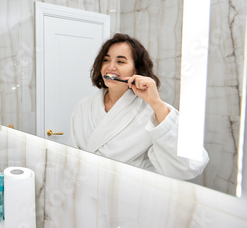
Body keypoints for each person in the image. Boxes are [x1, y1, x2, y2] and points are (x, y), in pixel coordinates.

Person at [69, 33, 209, 180]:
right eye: (106, 60)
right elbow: (70, 154)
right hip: (83, 188)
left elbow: (192, 165)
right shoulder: (83, 106)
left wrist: (156, 103)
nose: (110, 67)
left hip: (127, 194)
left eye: (121, 62)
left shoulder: (153, 111)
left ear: (136, 71)